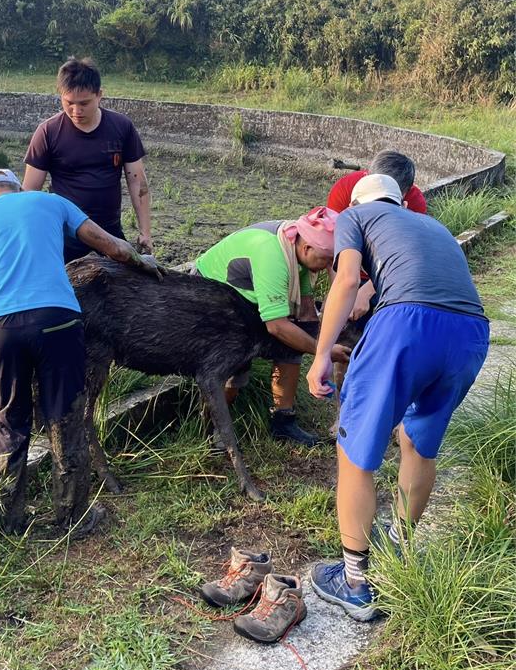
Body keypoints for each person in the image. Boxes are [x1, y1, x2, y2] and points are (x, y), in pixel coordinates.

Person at [308, 174, 489, 621]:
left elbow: (347, 280)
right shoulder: (433, 226)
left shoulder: (356, 215)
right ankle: (398, 553)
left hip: (407, 325)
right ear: (400, 199)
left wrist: (320, 356)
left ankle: (354, 582)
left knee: (355, 452)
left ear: (357, 200)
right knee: (416, 442)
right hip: (471, 331)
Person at [0, 167, 159, 535]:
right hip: (56, 320)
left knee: (10, 420)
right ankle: (72, 518)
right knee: (65, 416)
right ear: (17, 187)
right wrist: (144, 262)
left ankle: (9, 521)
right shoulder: (50, 201)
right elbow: (112, 246)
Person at [193, 207, 351, 446]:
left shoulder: (297, 245)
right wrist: (323, 352)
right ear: (307, 248)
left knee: (297, 340)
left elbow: (306, 313)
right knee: (235, 361)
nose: (329, 266)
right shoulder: (273, 255)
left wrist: (321, 351)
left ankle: (283, 422)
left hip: (248, 297)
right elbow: (277, 326)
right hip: (212, 297)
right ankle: (212, 427)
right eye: (328, 260)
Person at [22, 57, 152, 262]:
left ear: (99, 95)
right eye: (69, 103)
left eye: (84, 103)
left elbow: (137, 182)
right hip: (64, 235)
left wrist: (145, 232)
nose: (76, 111)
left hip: (110, 234)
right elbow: (29, 192)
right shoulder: (48, 132)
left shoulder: (122, 127)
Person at [327, 150, 427, 324]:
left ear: (405, 193)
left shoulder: (416, 203)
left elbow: (404, 260)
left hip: (390, 274)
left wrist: (365, 294)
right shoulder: (345, 188)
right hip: (351, 268)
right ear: (367, 176)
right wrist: (338, 295)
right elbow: (333, 247)